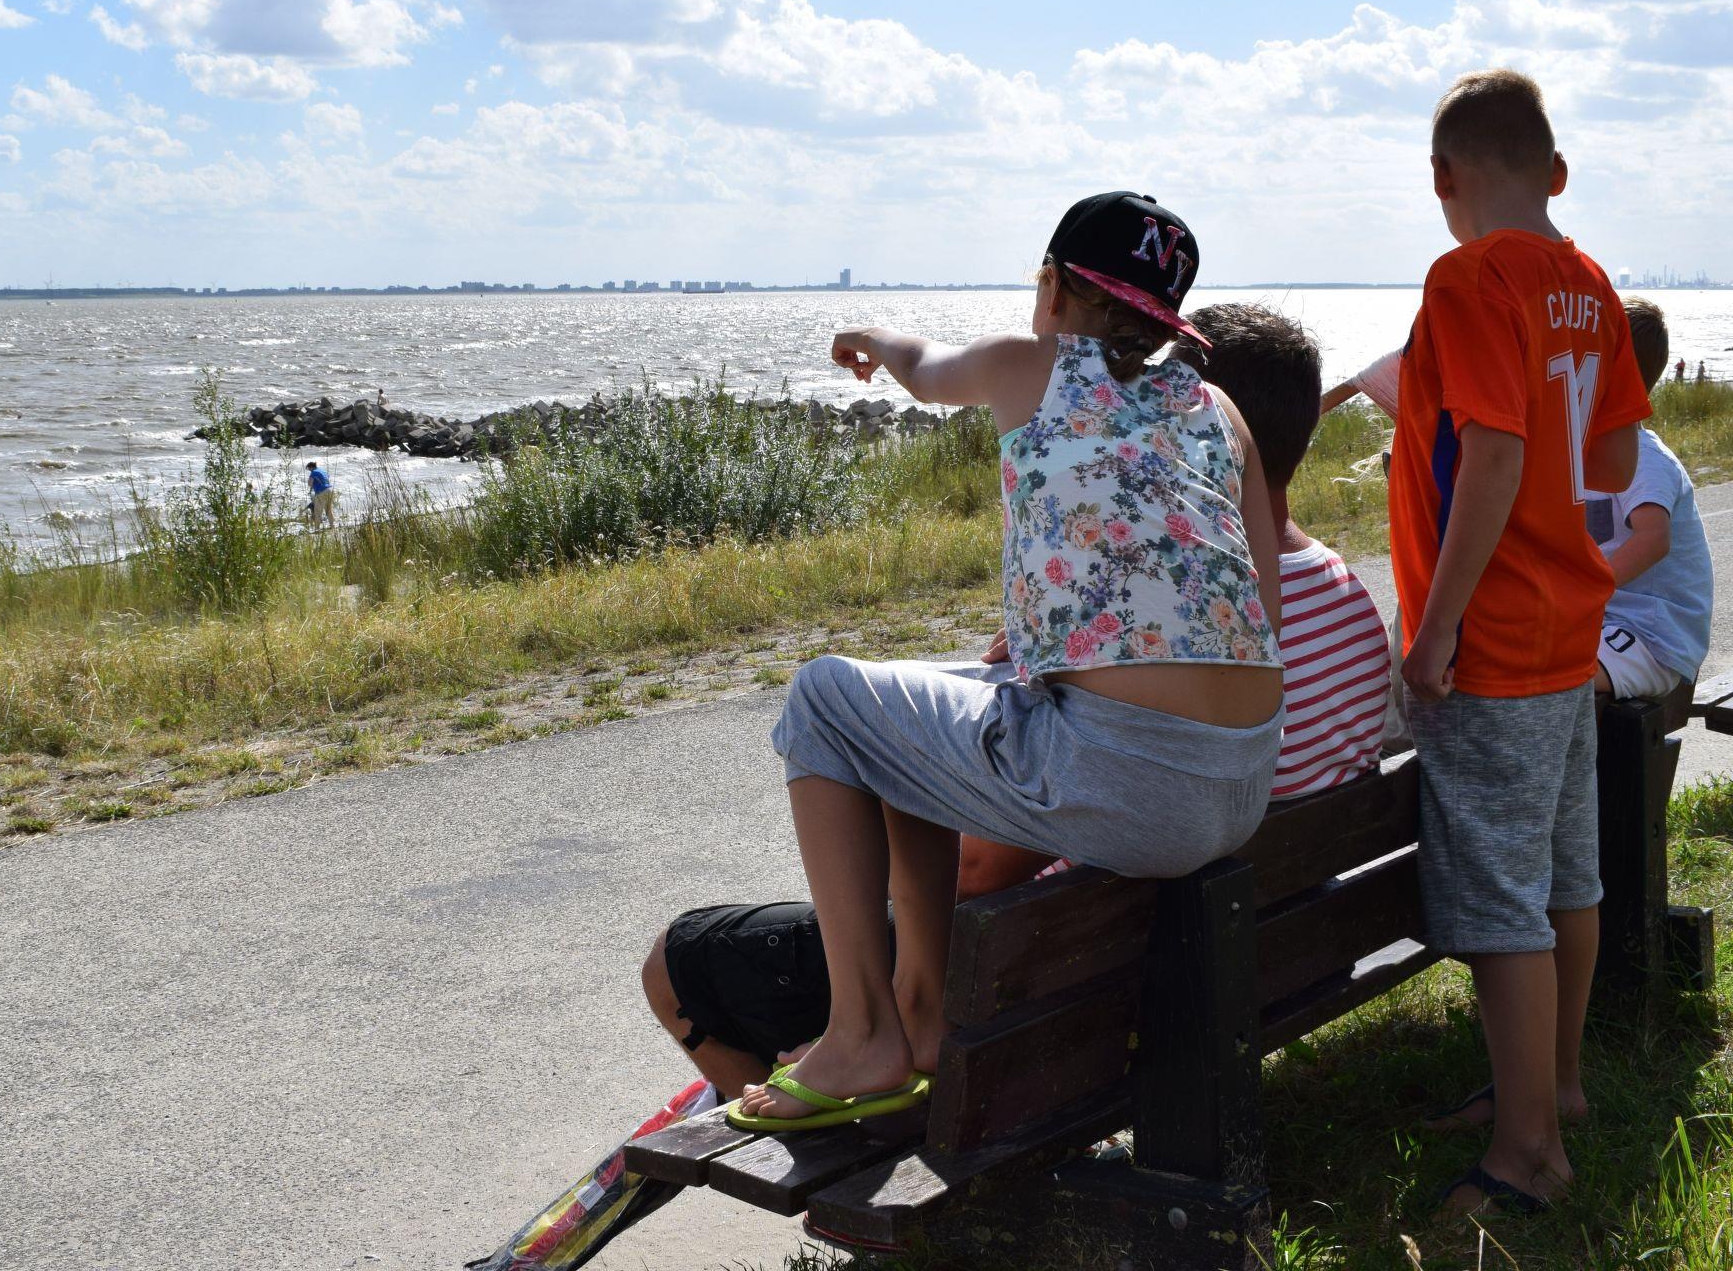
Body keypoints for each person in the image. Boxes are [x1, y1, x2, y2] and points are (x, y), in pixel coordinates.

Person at [646, 303, 1389, 1101]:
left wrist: (1043, 682)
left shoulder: (1153, 635)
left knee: (684, 957)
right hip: (1279, 956)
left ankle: (861, 1075)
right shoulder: (1343, 597)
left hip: (1086, 982)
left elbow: (978, 869)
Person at [725, 192, 1286, 1131]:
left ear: (1055, 286)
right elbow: (1257, 611)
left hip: (1133, 785)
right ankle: (921, 1012)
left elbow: (922, 370)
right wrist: (1066, 641)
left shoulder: (1028, 364)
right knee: (910, 701)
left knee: (823, 697)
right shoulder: (1218, 409)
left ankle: (861, 1033)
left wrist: (875, 336)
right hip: (1240, 785)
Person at [1390, 69, 1648, 1217]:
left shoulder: (1465, 277)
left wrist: (1434, 627)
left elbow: (1491, 454)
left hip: (1491, 639)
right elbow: (1611, 461)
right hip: (1568, 623)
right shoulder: (1587, 282)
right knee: (1563, 878)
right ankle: (1555, 1087)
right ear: (1555, 173)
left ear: (1440, 178)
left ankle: (1526, 1155)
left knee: (1500, 904)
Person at [1585, 299, 1712, 699]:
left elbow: (1653, 539)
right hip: (1608, 618)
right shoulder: (1591, 456)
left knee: (1556, 680)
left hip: (1652, 636)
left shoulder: (1645, 459)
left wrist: (1582, 593)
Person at [306, 461, 336, 528]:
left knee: (318, 511)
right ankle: (332, 525)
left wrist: (312, 487)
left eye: (309, 469)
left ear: (311, 467)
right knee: (328, 510)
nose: (309, 471)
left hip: (321, 492)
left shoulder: (313, 472)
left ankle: (317, 528)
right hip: (330, 490)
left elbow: (309, 483)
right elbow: (324, 481)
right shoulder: (323, 471)